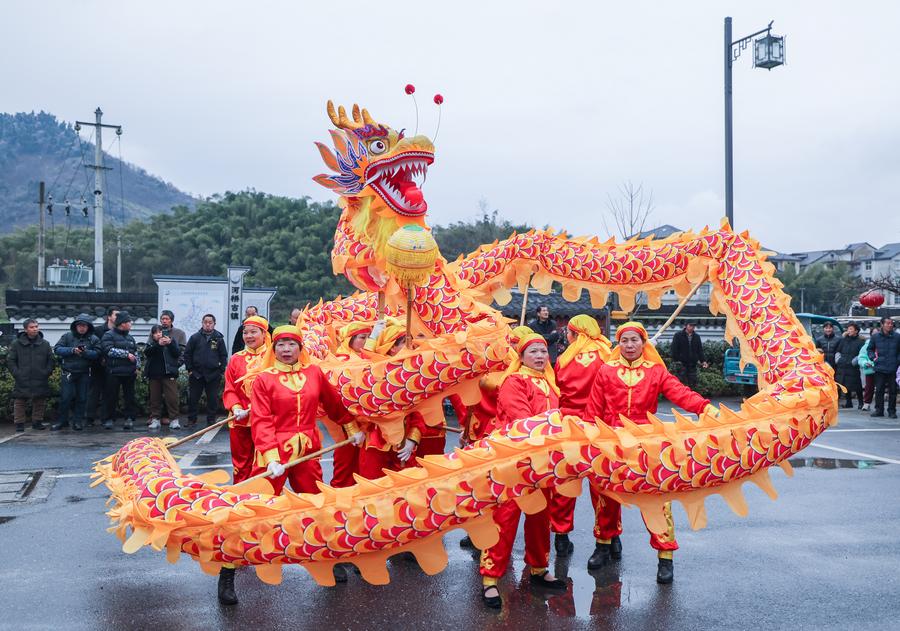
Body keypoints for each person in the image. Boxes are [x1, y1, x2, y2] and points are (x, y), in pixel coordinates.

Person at [215, 325, 364, 604]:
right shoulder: (264, 379)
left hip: (307, 451)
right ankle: (227, 571)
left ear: (300, 348)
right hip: (272, 454)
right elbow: (261, 420)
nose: (286, 349)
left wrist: (352, 427)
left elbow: (334, 404)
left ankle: (327, 560)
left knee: (316, 506)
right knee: (251, 511)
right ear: (274, 349)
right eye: (281, 345)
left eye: (292, 344)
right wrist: (272, 458)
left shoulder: (314, 373)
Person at [585, 321, 714, 584]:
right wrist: (588, 438)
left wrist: (704, 407)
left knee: (657, 499)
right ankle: (603, 544)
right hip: (611, 443)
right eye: (624, 340)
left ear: (643, 343)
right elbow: (593, 409)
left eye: (634, 340)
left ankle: (665, 556)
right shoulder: (606, 371)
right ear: (618, 344)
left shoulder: (656, 372)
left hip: (647, 445)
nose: (629, 345)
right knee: (604, 494)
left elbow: (680, 393)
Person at [479, 333, 567, 609]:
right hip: (514, 462)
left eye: (543, 351)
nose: (540, 356)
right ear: (522, 357)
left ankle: (539, 567)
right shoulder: (514, 381)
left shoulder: (550, 383)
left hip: (544, 462)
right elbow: (522, 420)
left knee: (541, 516)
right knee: (504, 518)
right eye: (533, 352)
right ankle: (490, 578)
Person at [549, 314, 611, 558]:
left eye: (568, 332)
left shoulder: (564, 360)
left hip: (569, 427)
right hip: (600, 426)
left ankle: (561, 537)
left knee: (565, 482)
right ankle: (609, 537)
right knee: (603, 485)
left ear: (574, 334)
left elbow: (558, 393)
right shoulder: (607, 354)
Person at [358, 320, 423, 478]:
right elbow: (360, 365)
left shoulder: (415, 372)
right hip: (375, 441)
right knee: (373, 487)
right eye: (405, 342)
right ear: (392, 347)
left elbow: (421, 411)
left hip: (403, 443)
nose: (411, 345)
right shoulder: (373, 371)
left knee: (406, 487)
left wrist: (412, 440)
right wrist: (373, 337)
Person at [222, 315, 271, 483]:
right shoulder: (236, 359)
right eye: (245, 332)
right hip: (240, 419)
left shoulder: (273, 358)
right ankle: (241, 493)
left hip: (266, 420)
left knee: (264, 462)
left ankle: (263, 494)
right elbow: (230, 388)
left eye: (253, 332)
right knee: (241, 463)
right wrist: (236, 408)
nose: (248, 336)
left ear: (264, 334)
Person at [329, 321, 373, 487]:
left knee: (367, 473)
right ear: (349, 339)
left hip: (369, 425)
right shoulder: (340, 361)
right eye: (362, 337)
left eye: (369, 337)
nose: (366, 341)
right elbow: (335, 398)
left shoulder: (372, 358)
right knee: (344, 470)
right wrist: (351, 427)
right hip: (346, 425)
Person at [51, 313, 100, 431]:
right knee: (65, 398)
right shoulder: (67, 336)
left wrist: (85, 352)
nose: (82, 328)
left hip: (84, 372)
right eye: (79, 325)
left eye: (84, 325)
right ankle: (62, 421)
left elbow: (98, 353)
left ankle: (78, 421)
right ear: (75, 326)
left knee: (82, 398)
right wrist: (72, 350)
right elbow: (57, 349)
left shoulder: (93, 339)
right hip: (68, 372)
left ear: (88, 327)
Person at [7, 319, 54, 432]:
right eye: (32, 327)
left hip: (40, 376)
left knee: (40, 401)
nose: (35, 329)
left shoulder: (45, 344)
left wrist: (46, 372)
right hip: (22, 377)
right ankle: (19, 423)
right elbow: (11, 360)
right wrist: (17, 373)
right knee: (19, 401)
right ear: (25, 329)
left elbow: (51, 360)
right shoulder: (16, 344)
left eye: (36, 326)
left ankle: (37, 422)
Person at [184, 314, 228, 427]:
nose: (207, 325)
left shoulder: (218, 338)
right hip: (196, 374)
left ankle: (211, 420)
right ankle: (191, 419)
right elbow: (187, 354)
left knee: (212, 398)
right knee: (193, 398)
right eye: (205, 322)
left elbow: (223, 355)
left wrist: (221, 370)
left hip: (213, 374)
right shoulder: (195, 337)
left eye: (210, 322)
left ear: (214, 324)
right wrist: (190, 369)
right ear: (202, 323)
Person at [101, 311, 139, 430]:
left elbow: (135, 353)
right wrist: (126, 354)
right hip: (114, 371)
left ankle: (129, 418)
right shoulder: (108, 335)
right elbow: (108, 350)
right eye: (129, 322)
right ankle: (109, 419)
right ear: (122, 323)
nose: (131, 324)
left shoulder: (130, 337)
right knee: (111, 396)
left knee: (130, 397)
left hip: (129, 372)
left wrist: (137, 366)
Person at [144, 325, 182, 430]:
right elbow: (147, 353)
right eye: (155, 333)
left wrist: (170, 344)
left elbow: (177, 353)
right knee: (154, 398)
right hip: (154, 375)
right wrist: (158, 345)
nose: (158, 334)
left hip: (169, 374)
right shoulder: (151, 343)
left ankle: (174, 420)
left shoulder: (171, 341)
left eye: (160, 332)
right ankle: (155, 419)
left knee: (172, 398)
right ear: (152, 335)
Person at [85, 308, 118, 427]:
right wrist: (100, 358)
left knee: (109, 393)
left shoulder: (119, 331)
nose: (118, 317)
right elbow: (92, 346)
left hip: (112, 367)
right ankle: (89, 418)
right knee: (93, 393)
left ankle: (106, 418)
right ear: (109, 316)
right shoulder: (98, 330)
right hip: (97, 366)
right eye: (116, 315)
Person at [867, 317, 900, 419]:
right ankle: (879, 410)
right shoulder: (875, 337)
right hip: (879, 367)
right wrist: (874, 358)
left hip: (893, 367)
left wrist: (897, 360)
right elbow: (870, 349)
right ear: (882, 324)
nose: (890, 325)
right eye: (888, 323)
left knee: (893, 391)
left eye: (891, 323)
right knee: (879, 390)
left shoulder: (897, 336)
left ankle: (892, 411)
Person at [670, 321, 708, 390]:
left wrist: (703, 361)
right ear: (686, 326)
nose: (692, 327)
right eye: (690, 325)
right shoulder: (678, 335)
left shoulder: (696, 337)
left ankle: (691, 396)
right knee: (681, 383)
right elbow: (674, 349)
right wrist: (676, 360)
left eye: (693, 326)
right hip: (681, 363)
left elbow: (700, 350)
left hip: (692, 364)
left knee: (693, 383)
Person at [834, 322, 865, 409]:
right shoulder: (843, 340)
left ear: (856, 331)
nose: (849, 330)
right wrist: (838, 360)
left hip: (852, 366)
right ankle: (849, 402)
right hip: (842, 365)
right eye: (848, 329)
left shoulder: (860, 342)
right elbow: (838, 350)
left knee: (857, 385)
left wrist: (854, 362)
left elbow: (862, 353)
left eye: (851, 329)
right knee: (845, 385)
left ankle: (861, 402)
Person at [858, 327, 877, 411]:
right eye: (874, 333)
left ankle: (879, 405)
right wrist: (865, 363)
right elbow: (861, 357)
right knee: (869, 387)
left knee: (880, 388)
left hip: (881, 368)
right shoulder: (866, 345)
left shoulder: (883, 343)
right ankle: (867, 403)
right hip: (870, 369)